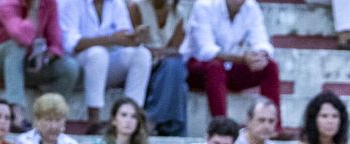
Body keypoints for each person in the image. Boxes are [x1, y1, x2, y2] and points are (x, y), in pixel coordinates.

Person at [60, 0, 150, 131]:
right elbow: (71, 44)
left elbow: (123, 36)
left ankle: (132, 115)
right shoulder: (71, 3)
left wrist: (135, 38)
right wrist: (109, 39)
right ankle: (94, 120)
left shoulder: (116, 3)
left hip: (106, 65)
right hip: (76, 67)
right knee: (98, 53)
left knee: (142, 54)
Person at [182, 0, 280, 118]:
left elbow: (261, 41)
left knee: (270, 66)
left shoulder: (251, 7)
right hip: (196, 70)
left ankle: (273, 126)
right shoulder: (204, 5)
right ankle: (222, 127)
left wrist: (260, 56)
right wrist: (243, 59)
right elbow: (206, 51)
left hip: (228, 70)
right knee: (215, 67)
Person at [0, 0, 81, 102]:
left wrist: (44, 59)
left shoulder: (49, 3)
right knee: (16, 47)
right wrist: (33, 10)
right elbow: (23, 38)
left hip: (21, 66)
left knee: (69, 67)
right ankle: (17, 112)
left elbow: (56, 44)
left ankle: (49, 117)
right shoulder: (7, 4)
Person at [131, 0, 188, 135]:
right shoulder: (136, 7)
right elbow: (132, 41)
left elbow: (175, 48)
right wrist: (153, 52)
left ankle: (153, 119)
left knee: (174, 67)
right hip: (141, 63)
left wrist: (160, 53)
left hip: (165, 63)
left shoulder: (179, 13)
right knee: (175, 72)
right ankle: (173, 128)